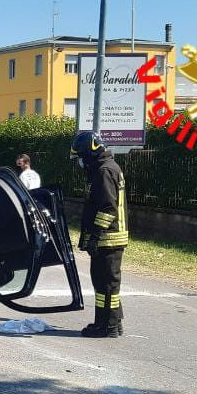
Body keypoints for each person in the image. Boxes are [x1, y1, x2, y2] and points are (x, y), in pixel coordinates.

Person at [71, 131, 128, 337]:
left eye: (82, 156)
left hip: (108, 238)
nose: (81, 162)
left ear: (91, 152)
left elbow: (107, 208)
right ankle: (113, 322)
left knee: (106, 286)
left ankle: (106, 326)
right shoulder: (106, 168)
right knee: (106, 284)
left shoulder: (105, 171)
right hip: (109, 237)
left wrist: (95, 235)